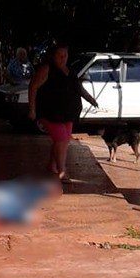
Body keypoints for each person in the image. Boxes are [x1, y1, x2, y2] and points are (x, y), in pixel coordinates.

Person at [28, 44, 98, 182]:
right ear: (53, 56)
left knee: (63, 140)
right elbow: (33, 87)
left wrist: (90, 99)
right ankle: (62, 171)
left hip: (68, 112)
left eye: (65, 55)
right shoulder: (46, 68)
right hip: (50, 113)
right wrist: (32, 109)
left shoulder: (70, 70)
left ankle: (52, 165)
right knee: (61, 139)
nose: (63, 58)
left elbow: (79, 88)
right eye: (60, 55)